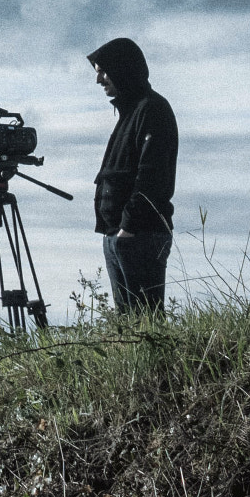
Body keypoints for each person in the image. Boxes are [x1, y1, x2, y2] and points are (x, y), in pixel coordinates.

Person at [87, 37, 177, 314]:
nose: (99, 80)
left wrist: (129, 227)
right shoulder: (131, 111)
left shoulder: (152, 109)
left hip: (139, 235)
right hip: (121, 235)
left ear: (122, 69)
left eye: (103, 71)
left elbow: (152, 177)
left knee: (146, 322)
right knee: (129, 327)